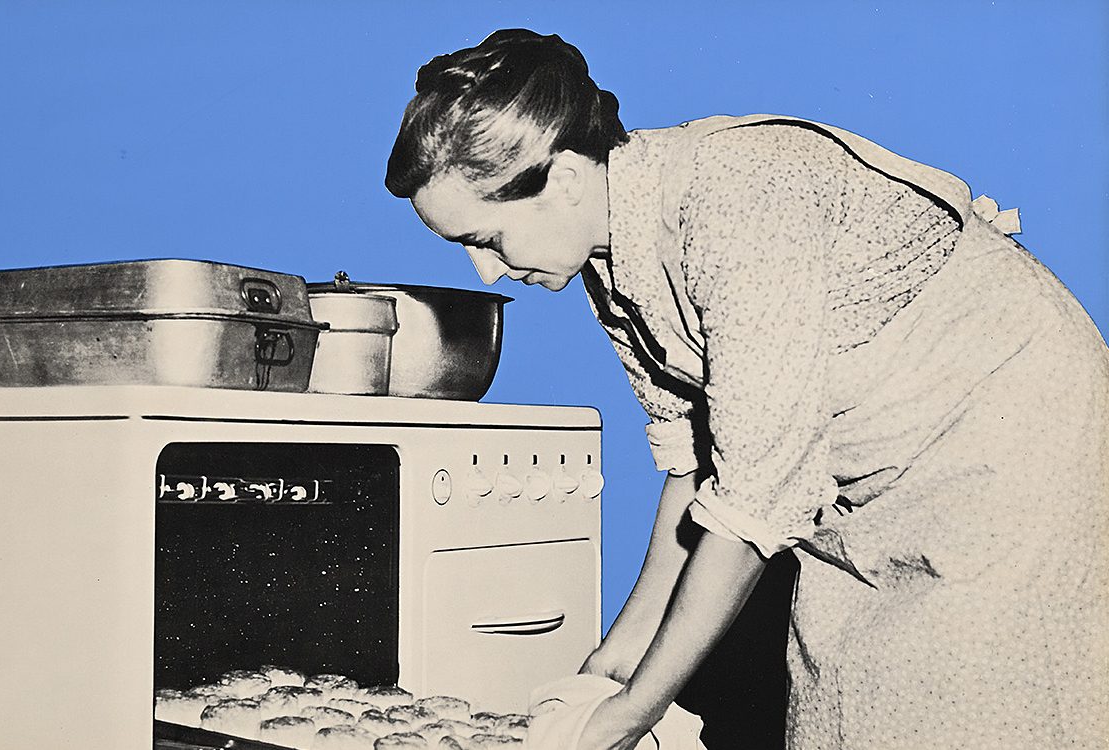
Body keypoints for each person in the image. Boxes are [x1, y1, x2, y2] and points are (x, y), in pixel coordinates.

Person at [385, 29, 1109, 750]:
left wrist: (630, 713)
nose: (485, 272)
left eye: (485, 239)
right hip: (871, 475)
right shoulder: (609, 265)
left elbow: (751, 507)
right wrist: (614, 662)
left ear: (565, 178)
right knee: (842, 695)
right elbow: (697, 470)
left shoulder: (738, 203)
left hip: (1012, 440)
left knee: (982, 703)